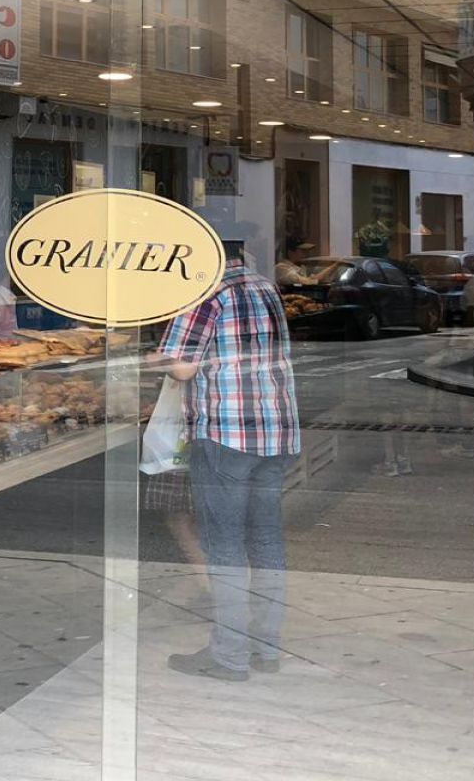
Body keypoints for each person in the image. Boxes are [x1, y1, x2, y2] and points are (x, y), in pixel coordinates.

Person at [159, 238, 301, 681]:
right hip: (274, 429)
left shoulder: (204, 293)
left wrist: (154, 358)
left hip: (225, 432)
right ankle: (266, 648)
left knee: (224, 547)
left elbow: (180, 366)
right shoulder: (264, 287)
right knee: (266, 541)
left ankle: (229, 656)